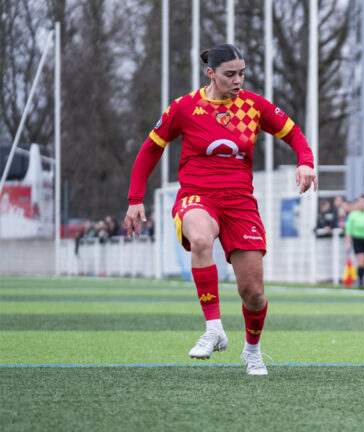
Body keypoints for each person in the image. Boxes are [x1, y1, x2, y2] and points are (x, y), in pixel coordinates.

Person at [123, 44, 317, 376]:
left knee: (253, 292)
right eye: (230, 74)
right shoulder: (185, 108)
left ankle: (252, 351)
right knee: (199, 239)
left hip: (240, 203)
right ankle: (214, 328)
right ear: (210, 73)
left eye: (242, 73)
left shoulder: (253, 107)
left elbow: (294, 133)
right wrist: (134, 199)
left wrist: (306, 163)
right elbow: (150, 148)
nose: (238, 80)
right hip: (197, 195)